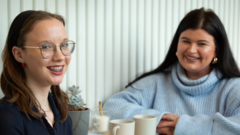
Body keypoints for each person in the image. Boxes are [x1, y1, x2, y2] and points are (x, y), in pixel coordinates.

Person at [103, 7, 240, 135]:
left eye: (202, 44)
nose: (191, 50)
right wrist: (159, 120)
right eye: (185, 41)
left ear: (216, 50)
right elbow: (111, 107)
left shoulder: (234, 87)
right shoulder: (156, 81)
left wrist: (183, 125)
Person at [0, 10, 75, 135]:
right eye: (46, 46)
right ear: (19, 54)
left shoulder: (62, 115)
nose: (60, 56)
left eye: (64, 44)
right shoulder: (7, 118)